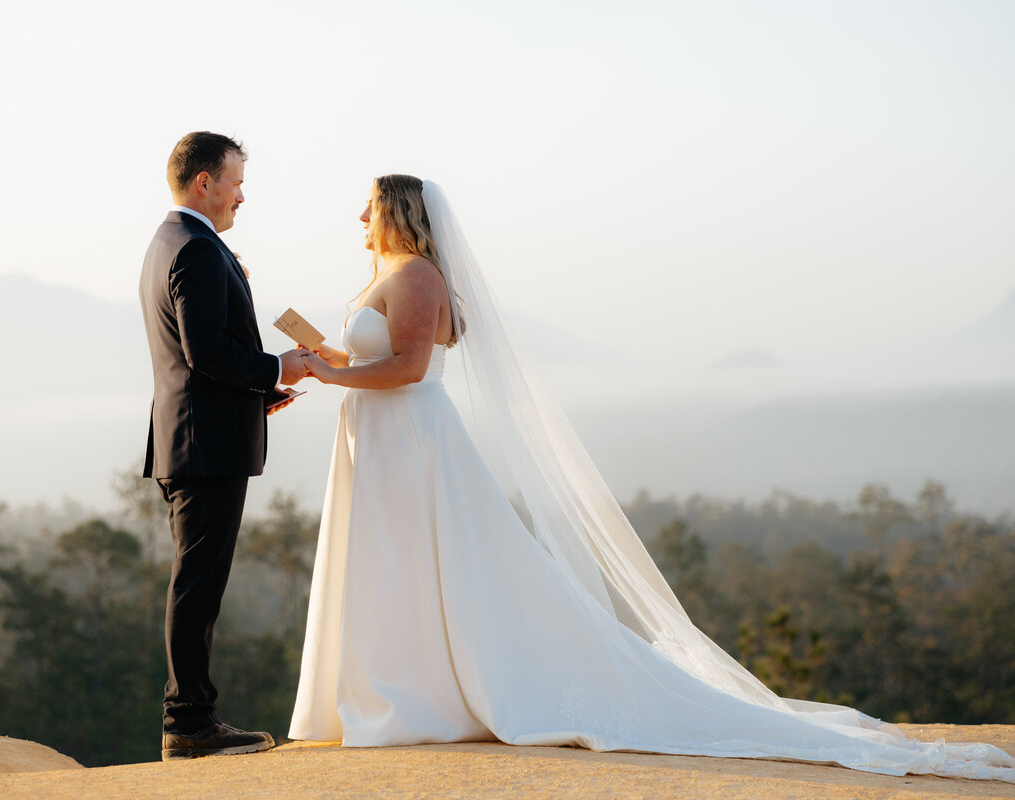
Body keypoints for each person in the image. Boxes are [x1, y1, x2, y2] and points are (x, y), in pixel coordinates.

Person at [286, 174, 1015, 782]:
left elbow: (411, 367)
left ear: (399, 213)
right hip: (381, 438)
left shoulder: (414, 274)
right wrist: (334, 363)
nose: (359, 215)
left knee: (416, 563)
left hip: (411, 440)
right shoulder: (390, 274)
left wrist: (326, 370)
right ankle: (399, 692)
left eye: (370, 204)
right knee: (392, 565)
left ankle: (418, 699)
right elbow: (385, 362)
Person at [139, 132, 307, 760]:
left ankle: (191, 718)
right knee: (197, 586)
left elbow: (194, 360)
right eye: (236, 181)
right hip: (203, 448)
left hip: (194, 436)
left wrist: (256, 398)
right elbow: (205, 351)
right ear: (203, 182)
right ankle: (188, 723)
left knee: (197, 582)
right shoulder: (199, 250)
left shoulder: (169, 242)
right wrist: (277, 368)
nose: (243, 194)